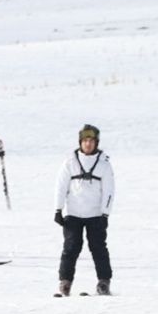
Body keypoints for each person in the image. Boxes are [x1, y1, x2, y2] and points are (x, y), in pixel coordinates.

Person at [54, 124, 115, 296]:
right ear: (80, 142)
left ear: (96, 143)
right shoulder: (70, 162)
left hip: (96, 215)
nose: (88, 144)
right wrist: (58, 210)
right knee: (71, 248)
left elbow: (109, 190)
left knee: (99, 249)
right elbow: (61, 186)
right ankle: (65, 283)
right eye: (85, 141)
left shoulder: (104, 164)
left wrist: (105, 213)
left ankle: (103, 282)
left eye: (92, 141)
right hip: (73, 214)